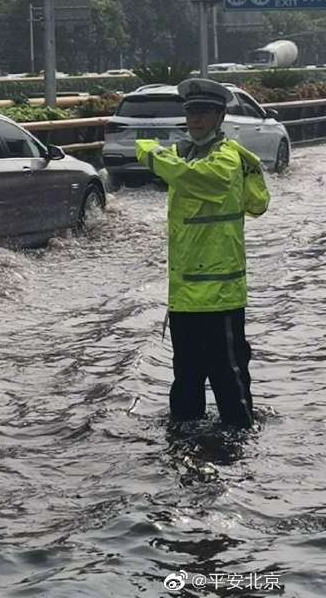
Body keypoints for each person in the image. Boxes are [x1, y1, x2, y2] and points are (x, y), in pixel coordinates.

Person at [135, 78, 270, 429]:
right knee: (186, 381)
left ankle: (241, 445)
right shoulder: (189, 153)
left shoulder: (225, 160)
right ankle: (183, 443)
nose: (195, 120)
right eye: (191, 112)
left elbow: (195, 179)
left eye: (204, 113)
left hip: (219, 296)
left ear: (220, 117)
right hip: (184, 295)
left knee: (229, 378)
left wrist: (152, 154)